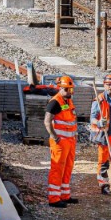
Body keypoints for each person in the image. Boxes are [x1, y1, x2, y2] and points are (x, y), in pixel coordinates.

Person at [44, 76, 79, 207]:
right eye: (67, 89)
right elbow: (47, 122)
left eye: (71, 89)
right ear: (60, 88)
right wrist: (54, 137)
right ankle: (54, 198)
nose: (69, 92)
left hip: (70, 141)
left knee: (68, 167)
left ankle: (64, 195)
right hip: (60, 142)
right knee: (57, 168)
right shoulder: (55, 102)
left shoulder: (68, 101)